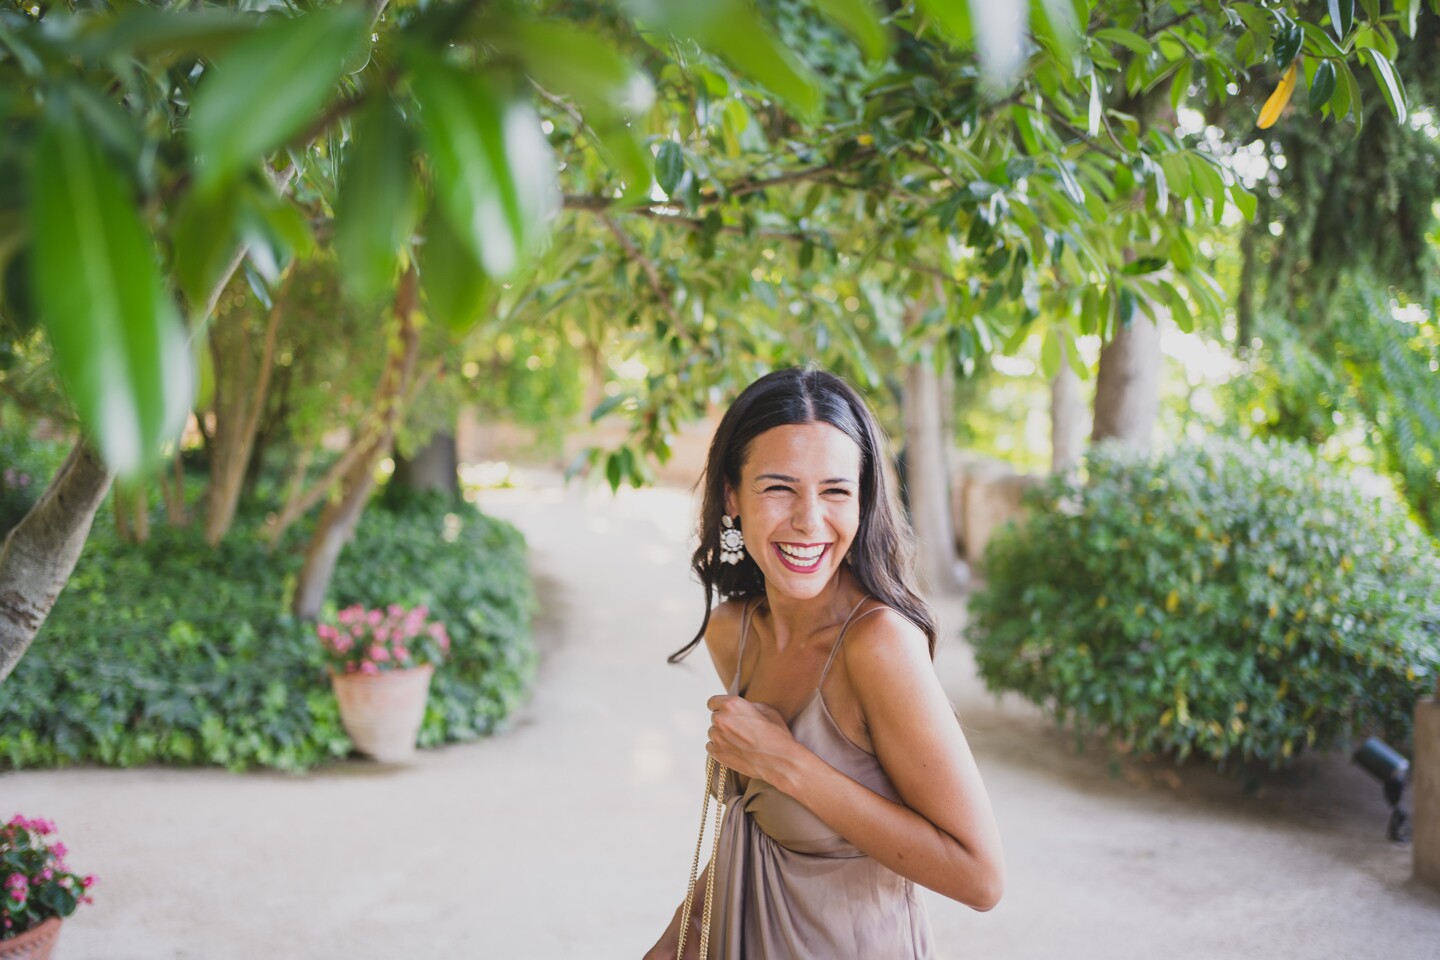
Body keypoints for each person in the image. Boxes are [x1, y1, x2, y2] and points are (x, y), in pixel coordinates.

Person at [644, 367, 1004, 960]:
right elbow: (748, 843)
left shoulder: (878, 645)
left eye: (836, 490)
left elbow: (981, 878)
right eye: (779, 487)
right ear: (732, 495)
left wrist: (786, 762)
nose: (810, 520)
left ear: (863, 500)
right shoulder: (731, 634)